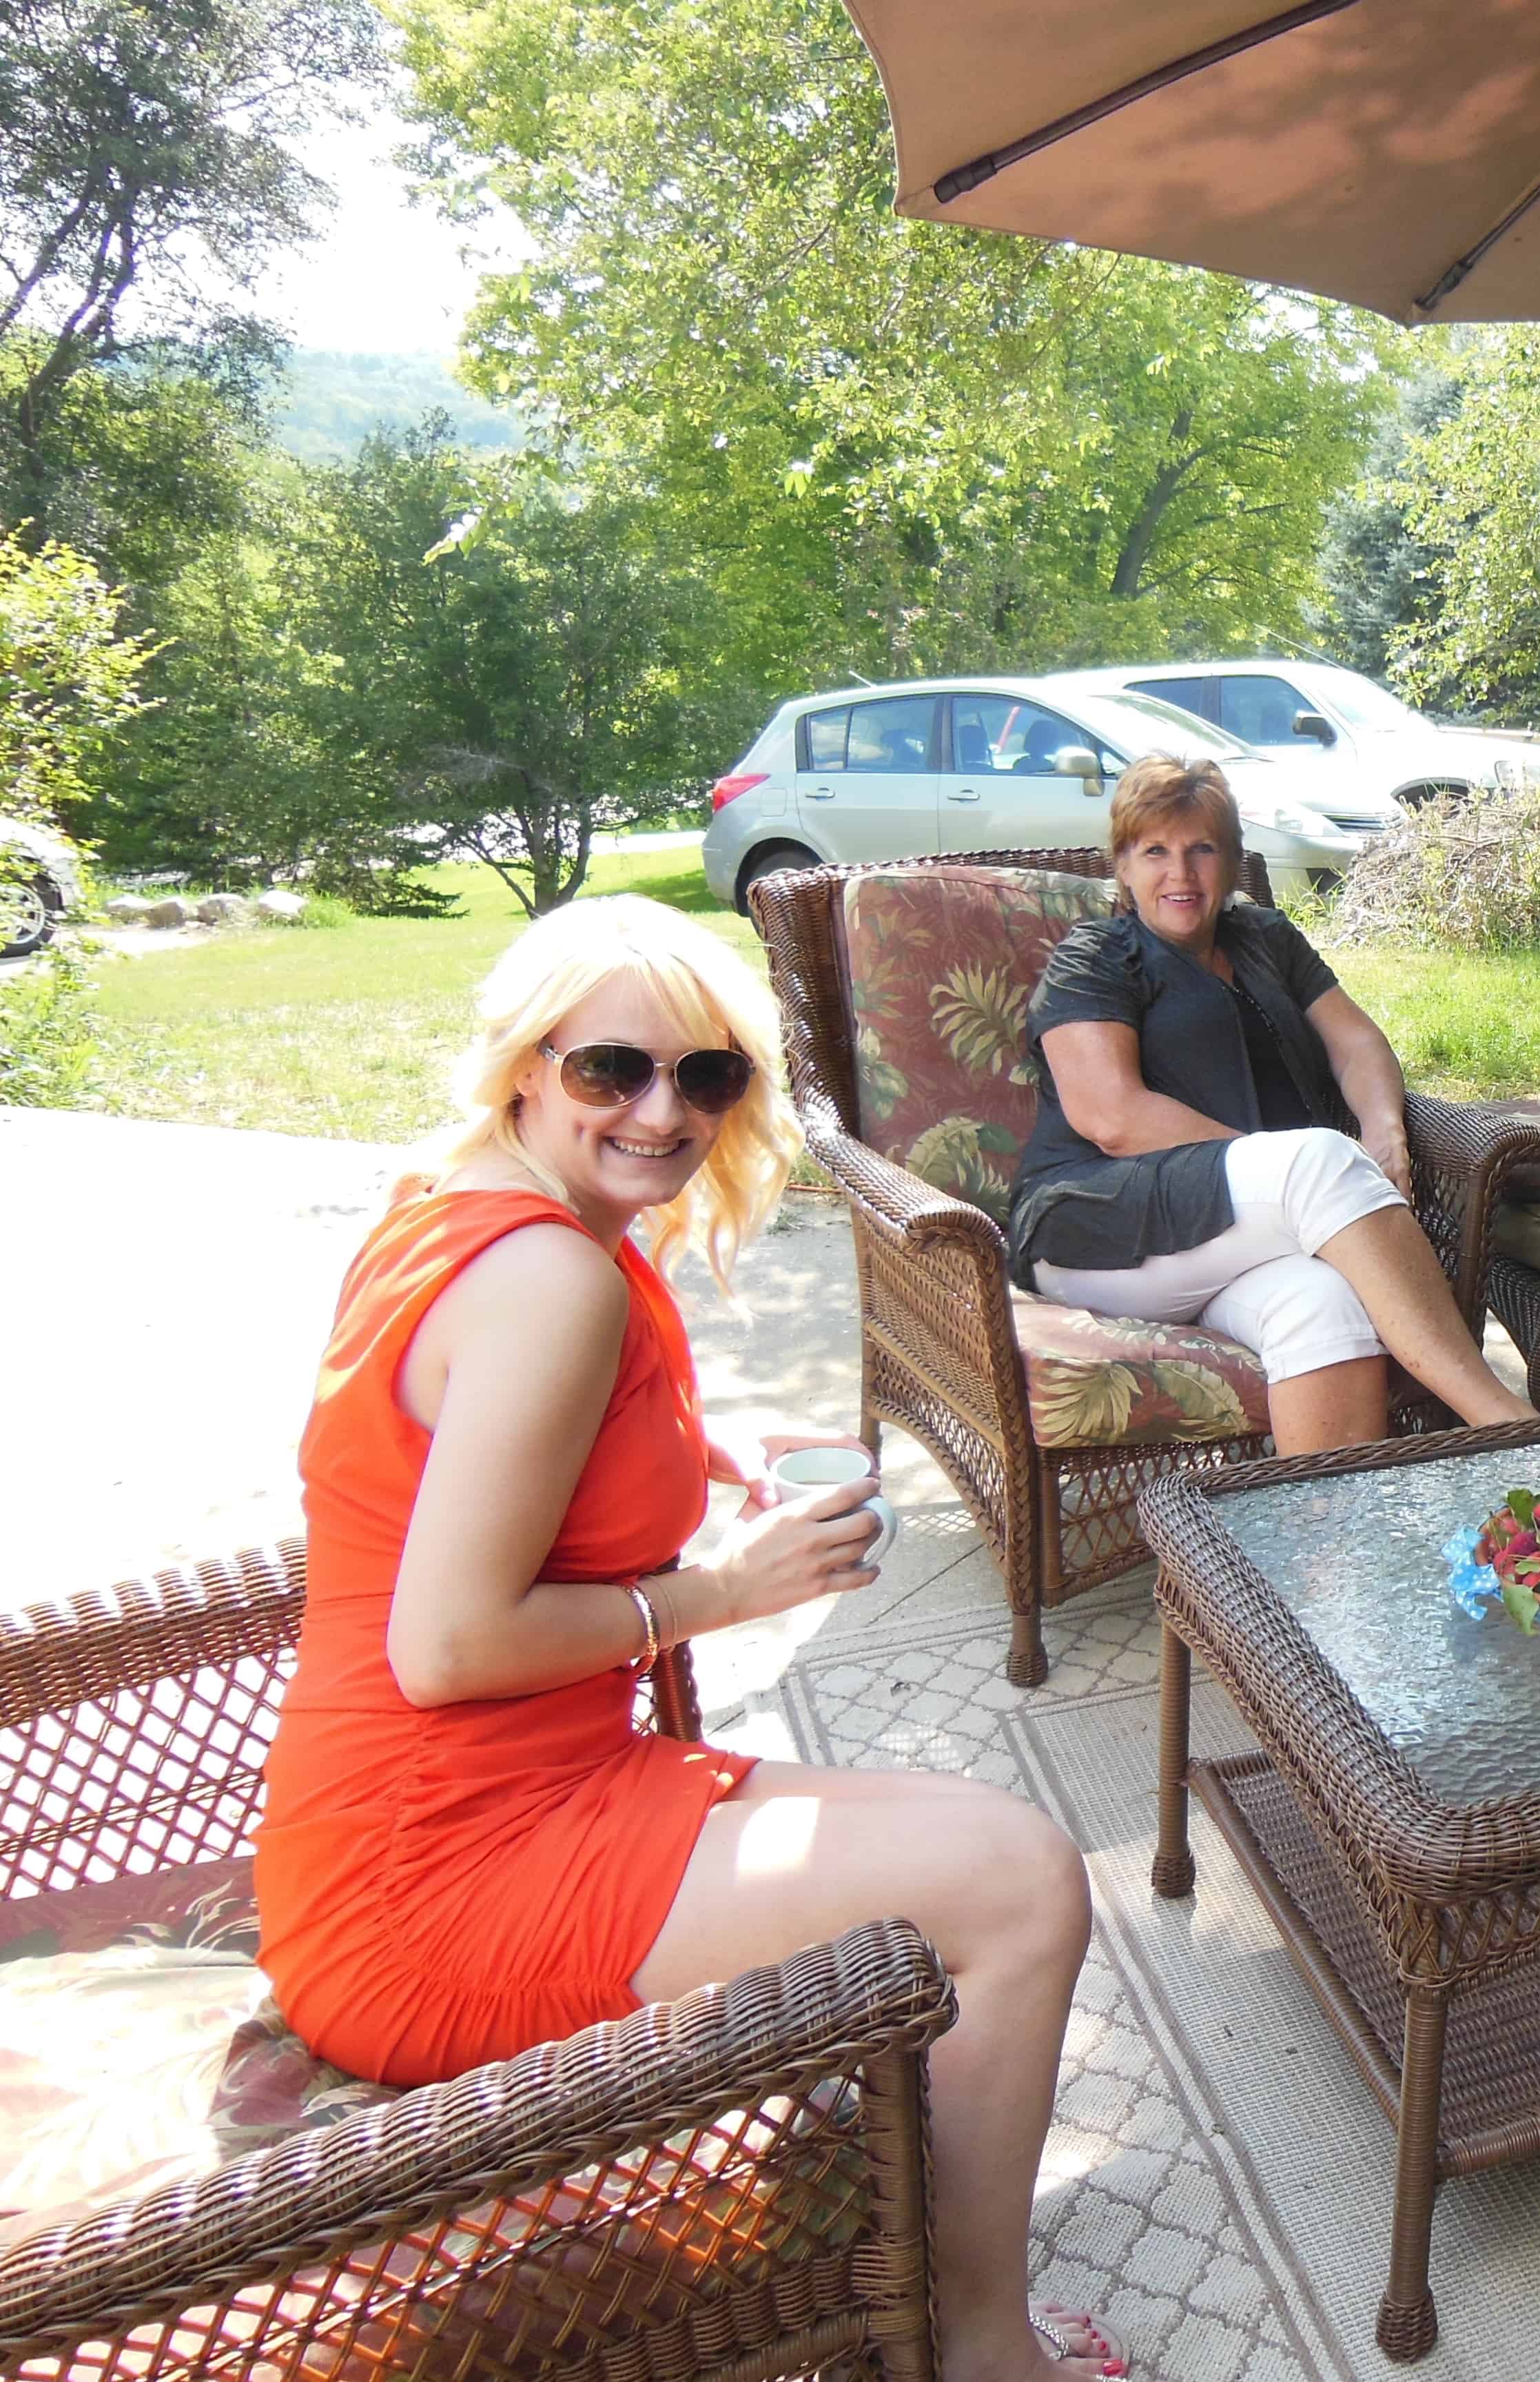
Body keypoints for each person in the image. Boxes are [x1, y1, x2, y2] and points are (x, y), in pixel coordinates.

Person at [254, 896, 1122, 2382]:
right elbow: (445, 1648)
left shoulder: (459, 1206)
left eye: (706, 1075)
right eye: (612, 1069)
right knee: (1021, 1885)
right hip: (434, 1880)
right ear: (526, 1065)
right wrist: (723, 1589)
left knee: (980, 1846)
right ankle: (975, 2347)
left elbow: (477, 1451)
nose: (663, 1114)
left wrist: (692, 1459)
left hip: (425, 1814)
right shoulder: (549, 1280)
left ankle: (909, 2240)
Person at [1008, 754, 1533, 1452]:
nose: (1181, 873)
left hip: (1236, 1235)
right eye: (1155, 851)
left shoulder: (1266, 939)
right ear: (1124, 867)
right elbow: (1113, 1119)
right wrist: (1291, 1179)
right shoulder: (1096, 958)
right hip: (1097, 1227)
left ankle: (1325, 1521)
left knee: (1325, 1307)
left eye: (1202, 849)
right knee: (1318, 1161)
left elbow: (1357, 1044)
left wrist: (1385, 1133)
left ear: (1232, 861)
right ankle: (1507, 1426)